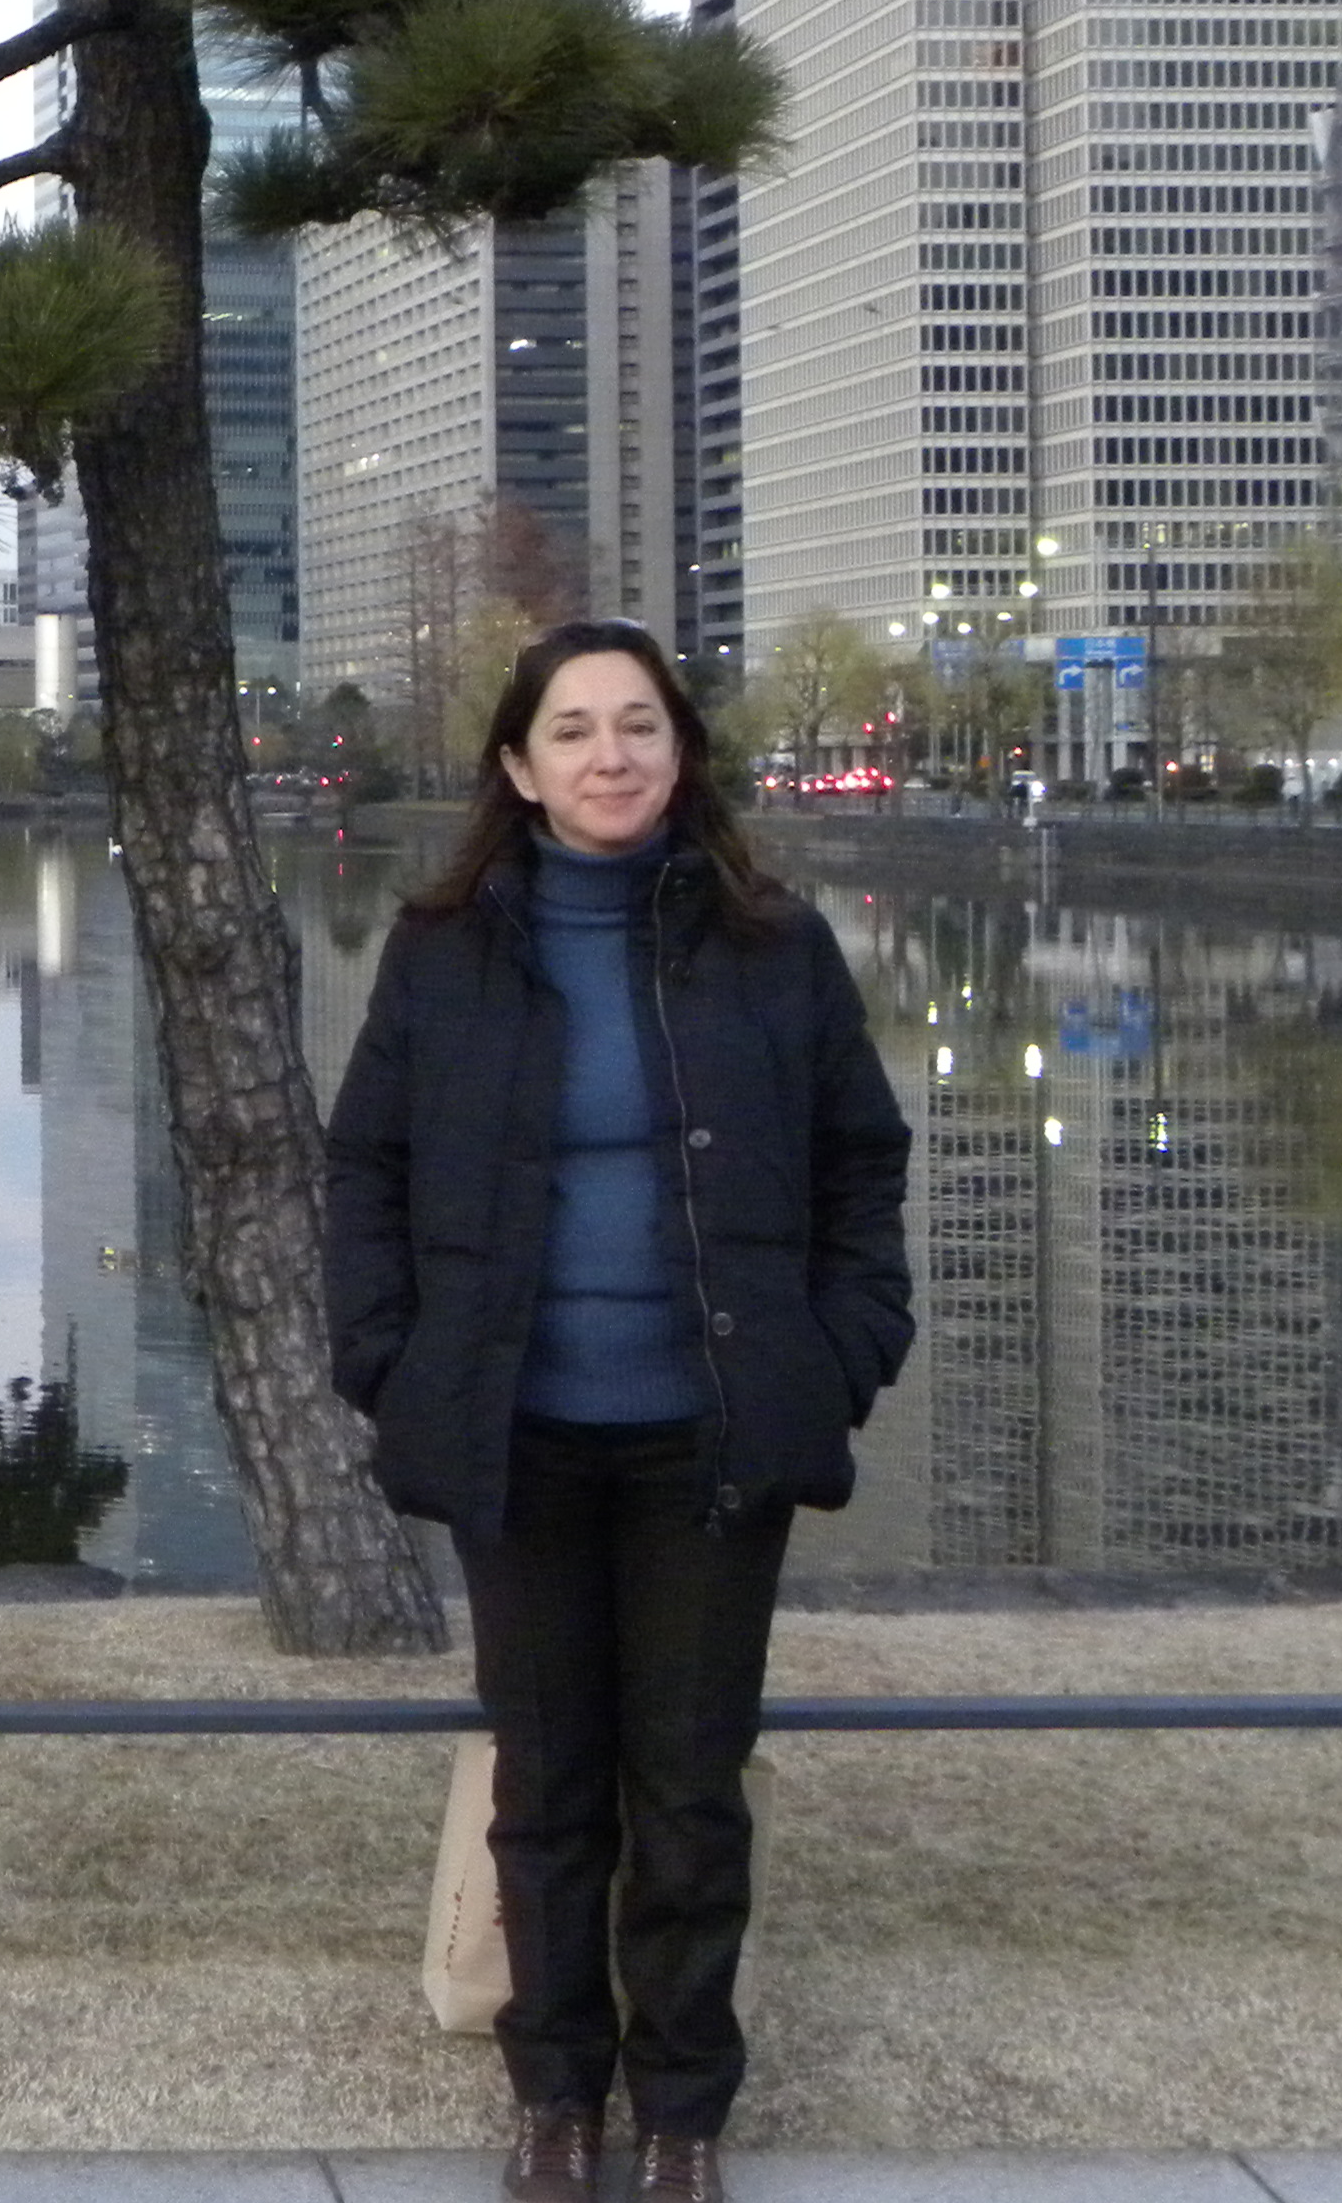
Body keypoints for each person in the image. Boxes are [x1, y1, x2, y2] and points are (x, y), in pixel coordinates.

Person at [323, 619, 913, 2203]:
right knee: (548, 1788)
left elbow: (862, 1163)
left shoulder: (773, 945)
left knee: (691, 1789)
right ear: (520, 769)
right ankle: (555, 2097)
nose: (611, 756)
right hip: (516, 1429)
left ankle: (685, 2113)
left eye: (639, 725)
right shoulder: (445, 949)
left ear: (682, 751)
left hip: (711, 1433)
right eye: (573, 730)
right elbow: (366, 1167)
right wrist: (386, 1356)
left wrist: (843, 1352)